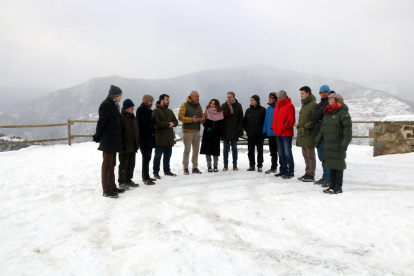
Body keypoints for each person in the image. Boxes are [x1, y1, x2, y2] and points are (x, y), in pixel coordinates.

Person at [315, 93, 352, 194]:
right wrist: (318, 140)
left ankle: (338, 187)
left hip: (338, 144)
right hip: (328, 144)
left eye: (331, 99)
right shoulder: (328, 112)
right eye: (329, 99)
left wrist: (345, 144)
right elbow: (323, 129)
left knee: (338, 165)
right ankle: (332, 185)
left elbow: (347, 131)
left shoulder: (343, 113)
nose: (329, 101)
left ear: (337, 100)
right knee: (330, 164)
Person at [92, 85, 125, 198]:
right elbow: (101, 122)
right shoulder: (106, 105)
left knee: (112, 164)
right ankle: (106, 189)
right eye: (120, 95)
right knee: (107, 165)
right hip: (108, 140)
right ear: (115, 96)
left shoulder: (114, 105)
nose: (121, 97)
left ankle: (112, 186)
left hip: (114, 139)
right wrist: (97, 136)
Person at [178, 91, 205, 175]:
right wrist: (191, 119)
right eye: (196, 96)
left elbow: (202, 117)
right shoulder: (184, 105)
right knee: (187, 150)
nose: (198, 98)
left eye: (198, 96)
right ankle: (185, 167)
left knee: (196, 150)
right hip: (187, 132)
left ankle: (195, 167)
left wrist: (202, 119)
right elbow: (180, 117)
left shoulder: (199, 106)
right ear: (191, 97)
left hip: (197, 131)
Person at [152, 94, 178, 179]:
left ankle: (167, 171)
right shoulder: (156, 111)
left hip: (169, 139)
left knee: (167, 156)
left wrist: (172, 123)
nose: (168, 101)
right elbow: (156, 122)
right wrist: (167, 124)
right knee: (157, 157)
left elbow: (176, 121)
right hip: (160, 138)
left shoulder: (170, 111)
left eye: (169, 99)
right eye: (167, 99)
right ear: (161, 100)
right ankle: (156, 172)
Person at [271, 90, 295, 179]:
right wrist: (274, 127)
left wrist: (283, 128)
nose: (279, 99)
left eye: (280, 97)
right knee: (281, 153)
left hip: (286, 134)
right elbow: (275, 119)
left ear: (285, 97)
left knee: (287, 153)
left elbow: (290, 120)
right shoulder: (277, 106)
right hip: (278, 133)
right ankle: (284, 170)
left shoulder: (289, 106)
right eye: (278, 97)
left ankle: (291, 171)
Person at [312, 85, 332, 187]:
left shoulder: (329, 102)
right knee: (321, 157)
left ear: (328, 92)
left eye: (324, 92)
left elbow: (320, 114)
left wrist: (318, 116)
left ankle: (328, 179)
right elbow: (314, 115)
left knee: (326, 157)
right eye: (321, 92)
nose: (322, 94)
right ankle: (325, 177)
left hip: (325, 134)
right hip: (319, 133)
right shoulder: (321, 103)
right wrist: (317, 117)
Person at [296, 86, 318, 182]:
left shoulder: (313, 104)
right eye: (300, 94)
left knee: (310, 155)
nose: (301, 95)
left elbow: (315, 119)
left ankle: (311, 174)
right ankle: (307, 173)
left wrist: (305, 127)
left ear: (308, 93)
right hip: (303, 133)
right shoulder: (304, 104)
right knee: (305, 155)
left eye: (303, 93)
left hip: (309, 133)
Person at [118, 99, 140, 190]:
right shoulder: (121, 118)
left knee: (131, 164)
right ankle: (122, 182)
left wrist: (137, 143)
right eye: (131, 107)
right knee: (123, 164)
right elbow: (120, 133)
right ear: (126, 108)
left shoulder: (132, 117)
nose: (133, 109)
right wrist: (121, 144)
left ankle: (128, 180)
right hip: (124, 146)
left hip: (133, 145)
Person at [221, 92, 244, 171]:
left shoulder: (238, 106)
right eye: (227, 97)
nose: (229, 99)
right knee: (225, 148)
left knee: (234, 148)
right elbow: (221, 119)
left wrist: (241, 129)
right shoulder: (223, 106)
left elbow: (241, 118)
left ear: (234, 97)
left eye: (230, 97)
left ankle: (235, 165)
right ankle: (225, 165)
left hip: (234, 130)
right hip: (225, 130)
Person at [137, 94, 156, 185]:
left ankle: (146, 176)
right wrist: (151, 128)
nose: (152, 103)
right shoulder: (140, 110)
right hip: (144, 138)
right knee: (146, 158)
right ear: (146, 101)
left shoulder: (149, 111)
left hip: (149, 138)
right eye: (150, 101)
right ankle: (145, 178)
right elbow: (142, 124)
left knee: (148, 158)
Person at [200, 99, 224, 172]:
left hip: (216, 134)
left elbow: (221, 123)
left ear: (217, 105)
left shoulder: (220, 112)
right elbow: (203, 122)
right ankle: (209, 166)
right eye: (211, 103)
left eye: (214, 104)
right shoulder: (206, 111)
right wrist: (209, 129)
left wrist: (215, 130)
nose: (212, 105)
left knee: (215, 150)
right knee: (208, 150)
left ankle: (215, 165)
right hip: (207, 133)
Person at [244, 95, 266, 172]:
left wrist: (263, 132)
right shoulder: (248, 110)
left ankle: (260, 165)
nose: (251, 101)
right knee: (250, 150)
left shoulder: (263, 110)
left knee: (260, 150)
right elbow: (245, 122)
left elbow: (265, 122)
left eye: (252, 100)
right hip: (250, 134)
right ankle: (251, 165)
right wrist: (247, 130)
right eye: (251, 100)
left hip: (259, 135)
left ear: (257, 101)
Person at [263, 92, 280, 174]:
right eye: (268, 98)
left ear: (274, 99)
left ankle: (283, 167)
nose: (269, 99)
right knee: (272, 152)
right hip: (270, 133)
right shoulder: (268, 108)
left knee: (280, 151)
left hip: (277, 133)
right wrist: (265, 131)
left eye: (270, 98)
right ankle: (273, 167)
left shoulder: (278, 107)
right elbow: (266, 121)